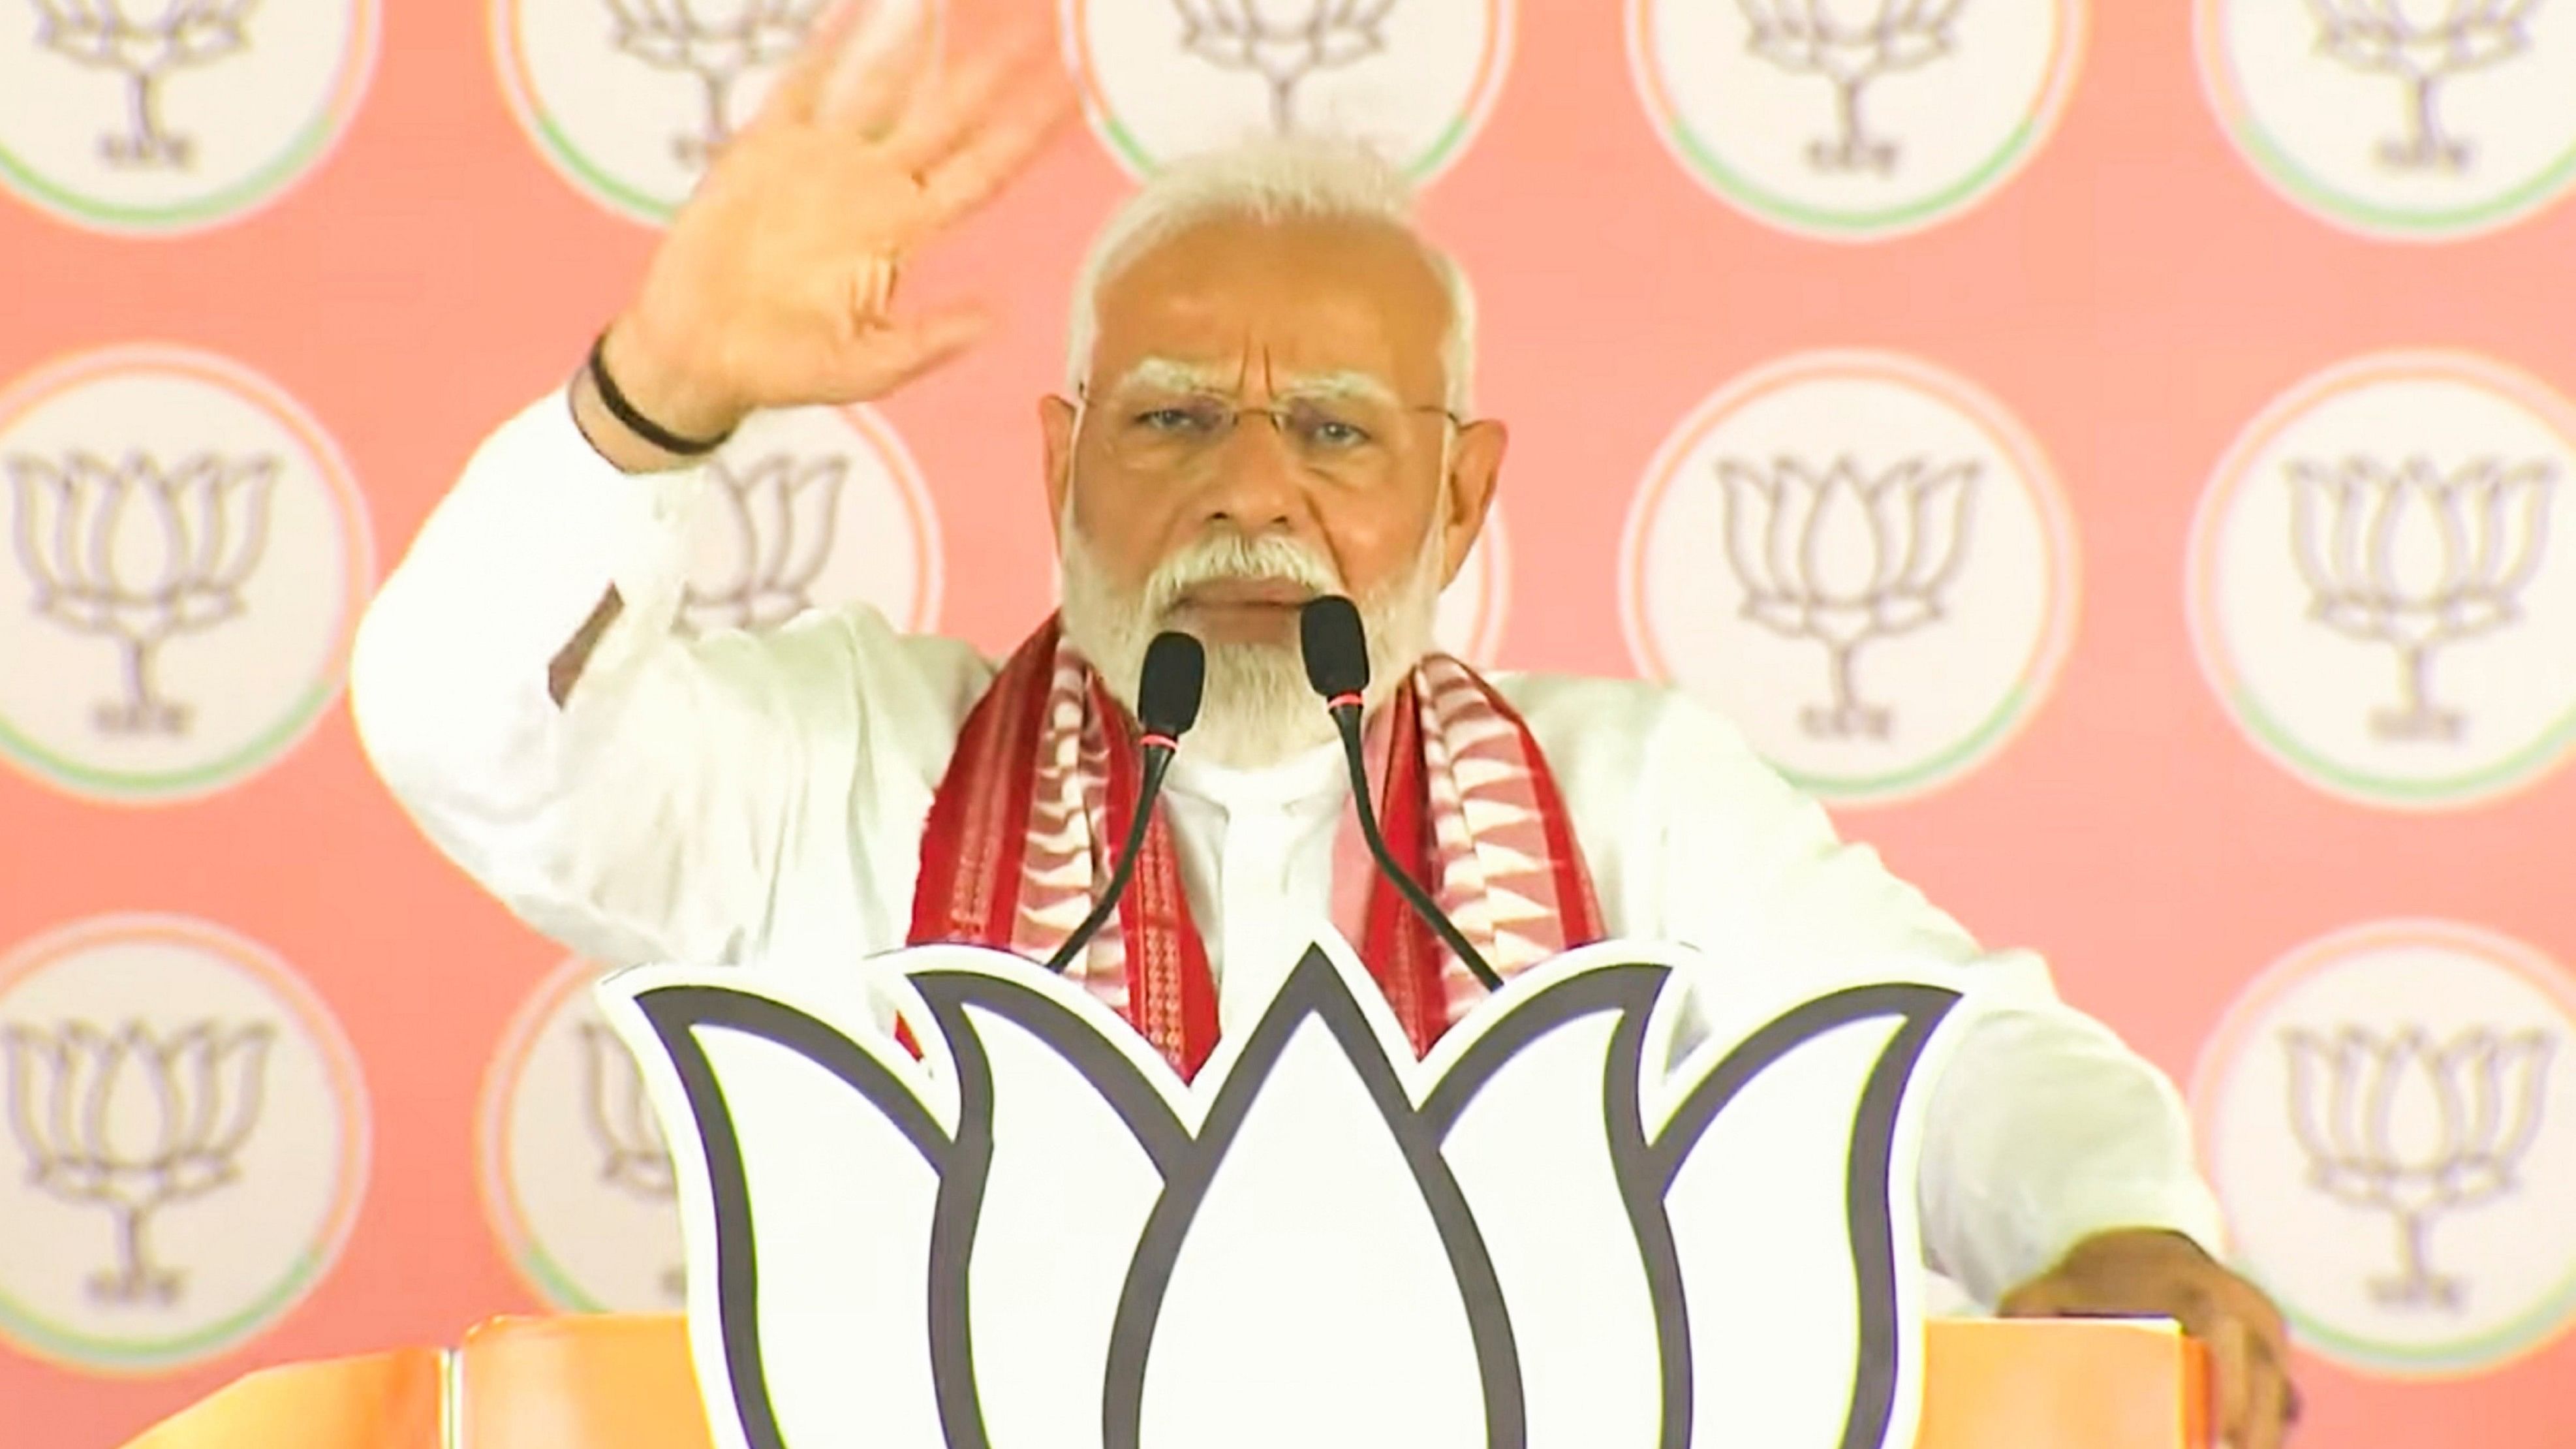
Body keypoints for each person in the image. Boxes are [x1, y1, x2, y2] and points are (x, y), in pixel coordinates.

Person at [347, 8, 2294, 1445]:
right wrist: (659, 392)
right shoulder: (851, 767)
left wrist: (2111, 1223)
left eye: (1341, 431)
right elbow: (468, 728)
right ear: (1062, 468)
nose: (1251, 492)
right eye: (1175, 416)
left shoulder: (1633, 805)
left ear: (1459, 500)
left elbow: (1952, 1066)